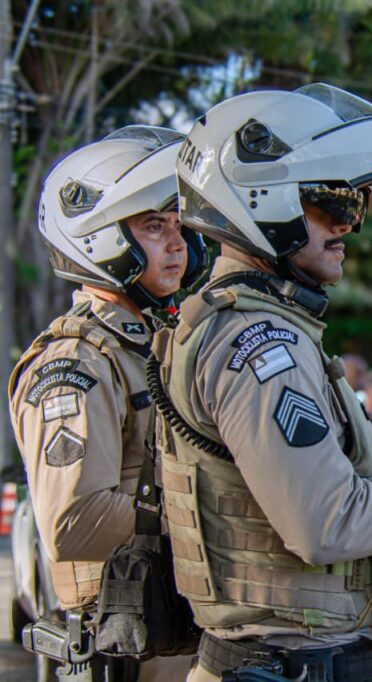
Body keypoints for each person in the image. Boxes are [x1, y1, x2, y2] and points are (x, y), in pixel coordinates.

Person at [152, 83, 372, 682]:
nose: (348, 225)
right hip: (289, 664)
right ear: (261, 201)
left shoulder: (246, 325)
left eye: (352, 206)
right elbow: (327, 523)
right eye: (330, 204)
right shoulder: (260, 343)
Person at [8, 126, 209, 680]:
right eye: (154, 227)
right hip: (128, 644)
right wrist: (217, 511)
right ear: (99, 238)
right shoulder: (75, 362)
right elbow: (74, 519)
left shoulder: (155, 347)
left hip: (180, 628)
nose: (177, 244)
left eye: (179, 225)